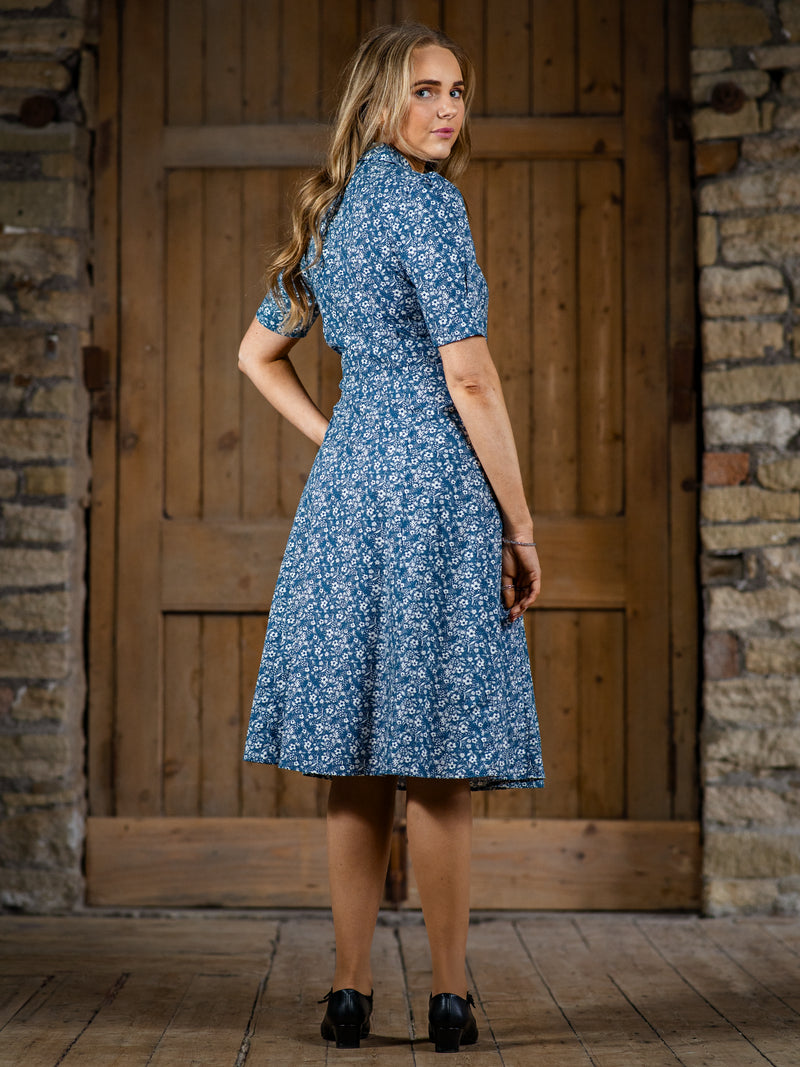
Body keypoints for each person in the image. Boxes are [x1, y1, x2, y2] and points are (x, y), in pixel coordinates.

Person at [239, 22, 544, 1054]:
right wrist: (520, 523)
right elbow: (470, 377)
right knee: (438, 754)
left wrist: (338, 435)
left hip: (348, 494)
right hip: (438, 495)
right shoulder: (428, 203)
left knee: (359, 753)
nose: (447, 108)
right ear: (379, 100)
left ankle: (348, 992)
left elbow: (255, 354)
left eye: (457, 89)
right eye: (425, 90)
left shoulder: (328, 208)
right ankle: (449, 997)